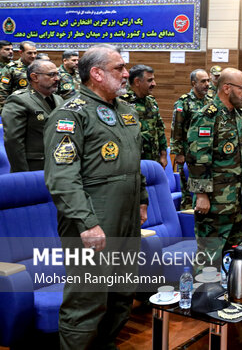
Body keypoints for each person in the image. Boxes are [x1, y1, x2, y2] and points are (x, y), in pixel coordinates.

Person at [43, 44, 148, 349]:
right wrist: (86, 223)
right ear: (97, 73)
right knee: (87, 303)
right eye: (119, 68)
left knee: (121, 296)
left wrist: (142, 198)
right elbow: (62, 178)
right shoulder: (70, 114)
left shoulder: (126, 111)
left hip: (126, 220)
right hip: (93, 222)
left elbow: (133, 161)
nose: (127, 74)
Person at [186, 67, 242, 273]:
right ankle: (203, 300)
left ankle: (225, 297)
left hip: (235, 199)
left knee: (231, 254)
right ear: (226, 88)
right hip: (213, 203)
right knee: (209, 255)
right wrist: (201, 194)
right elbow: (197, 157)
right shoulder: (207, 116)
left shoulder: (237, 115)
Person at [2, 59, 63, 172]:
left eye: (57, 74)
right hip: (34, 167)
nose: (57, 79)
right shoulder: (19, 100)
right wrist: (22, 174)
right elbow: (13, 141)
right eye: (51, 75)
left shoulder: (59, 99)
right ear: (34, 77)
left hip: (59, 166)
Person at [170, 68, 211, 209]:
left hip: (206, 152)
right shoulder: (184, 102)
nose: (207, 84)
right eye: (203, 81)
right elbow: (176, 128)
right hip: (188, 152)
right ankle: (187, 214)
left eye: (208, 81)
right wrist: (178, 152)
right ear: (194, 83)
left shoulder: (211, 101)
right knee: (187, 189)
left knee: (205, 186)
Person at [119, 64, 167, 168]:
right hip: (133, 161)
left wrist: (163, 155)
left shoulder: (151, 102)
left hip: (153, 159)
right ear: (137, 82)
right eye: (150, 80)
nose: (154, 84)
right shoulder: (121, 102)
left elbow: (160, 129)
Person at [0, 41, 37, 111]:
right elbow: (3, 92)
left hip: (36, 108)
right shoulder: (11, 69)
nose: (33, 56)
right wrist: (5, 112)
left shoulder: (40, 68)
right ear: (21, 53)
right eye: (29, 53)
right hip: (18, 109)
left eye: (35, 53)